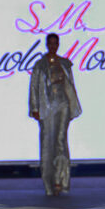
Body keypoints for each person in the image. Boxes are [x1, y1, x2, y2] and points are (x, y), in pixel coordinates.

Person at [28, 33, 82, 196]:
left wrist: (72, 106)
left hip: (63, 104)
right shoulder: (40, 65)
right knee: (47, 142)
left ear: (58, 44)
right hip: (47, 106)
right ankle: (49, 182)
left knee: (60, 140)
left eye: (55, 43)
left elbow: (71, 86)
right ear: (46, 44)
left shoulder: (65, 63)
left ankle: (60, 180)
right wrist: (35, 107)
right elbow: (34, 87)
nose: (53, 46)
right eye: (50, 43)